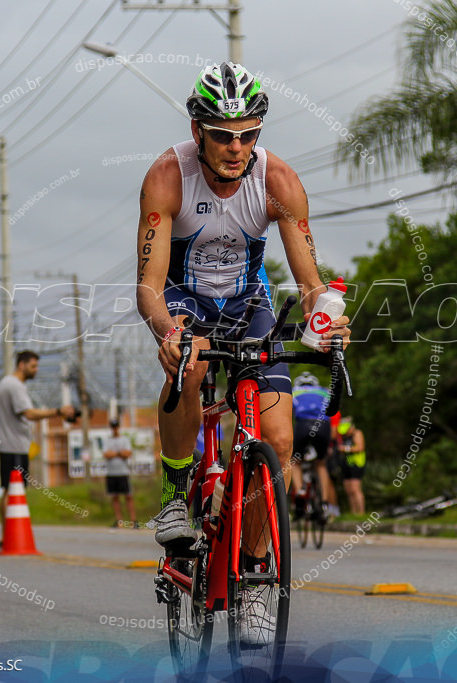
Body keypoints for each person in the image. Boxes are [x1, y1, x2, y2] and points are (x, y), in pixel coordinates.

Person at [136, 61, 351, 645]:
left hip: (247, 302)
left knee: (277, 441)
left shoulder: (277, 179)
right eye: (224, 134)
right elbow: (149, 284)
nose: (237, 148)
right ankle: (177, 494)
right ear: (197, 128)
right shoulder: (167, 175)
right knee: (193, 361)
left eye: (249, 133)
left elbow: (310, 281)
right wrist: (168, 332)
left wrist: (324, 319)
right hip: (181, 300)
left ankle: (256, 579)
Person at [0, 350, 75, 533]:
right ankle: (9, 536)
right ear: (22, 365)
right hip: (14, 446)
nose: (36, 370)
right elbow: (29, 413)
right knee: (13, 491)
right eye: (33, 366)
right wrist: (58, 412)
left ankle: (7, 535)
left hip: (10, 445)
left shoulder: (7, 383)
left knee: (10, 490)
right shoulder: (15, 386)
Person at [291, 373, 339, 520]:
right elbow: (333, 418)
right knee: (321, 464)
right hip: (323, 426)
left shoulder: (293, 391)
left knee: (295, 461)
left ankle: (299, 493)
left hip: (303, 424)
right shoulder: (325, 391)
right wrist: (329, 446)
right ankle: (324, 504)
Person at [103, 419, 137, 529]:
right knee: (115, 497)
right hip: (111, 473)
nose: (114, 429)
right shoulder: (107, 440)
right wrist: (119, 453)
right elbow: (106, 454)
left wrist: (115, 453)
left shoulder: (124, 439)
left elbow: (127, 453)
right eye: (113, 427)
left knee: (128, 496)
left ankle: (133, 521)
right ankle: (119, 521)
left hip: (122, 472)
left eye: (116, 426)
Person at [336, 417, 366, 515]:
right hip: (346, 464)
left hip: (356, 464)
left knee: (355, 489)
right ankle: (353, 512)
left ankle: (361, 512)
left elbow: (360, 447)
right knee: (348, 490)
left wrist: (345, 449)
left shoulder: (357, 433)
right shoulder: (344, 436)